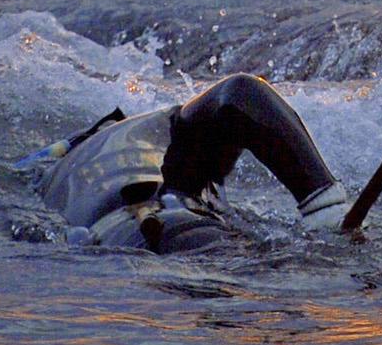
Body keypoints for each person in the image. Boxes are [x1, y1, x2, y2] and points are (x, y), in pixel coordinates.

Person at [22, 75, 352, 255]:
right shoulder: (173, 141)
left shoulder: (57, 180)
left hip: (119, 240)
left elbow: (241, 93)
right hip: (148, 232)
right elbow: (241, 91)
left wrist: (328, 212)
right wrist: (327, 207)